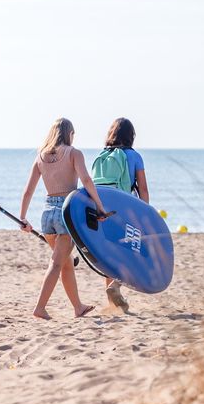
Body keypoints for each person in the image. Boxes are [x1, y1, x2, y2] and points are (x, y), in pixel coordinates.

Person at [19, 117, 111, 320]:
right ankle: (40, 308)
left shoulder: (40, 157)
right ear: (69, 134)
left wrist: (23, 218)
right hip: (66, 213)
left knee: (66, 262)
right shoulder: (74, 153)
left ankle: (78, 307)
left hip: (47, 213)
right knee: (56, 263)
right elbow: (86, 180)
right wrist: (99, 206)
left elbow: (28, 191)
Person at [93, 117, 149, 313]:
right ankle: (116, 285)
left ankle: (112, 303)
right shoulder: (134, 156)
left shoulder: (102, 154)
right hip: (126, 211)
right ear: (130, 135)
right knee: (132, 252)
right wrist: (145, 215)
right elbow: (142, 188)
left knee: (109, 255)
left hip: (103, 211)